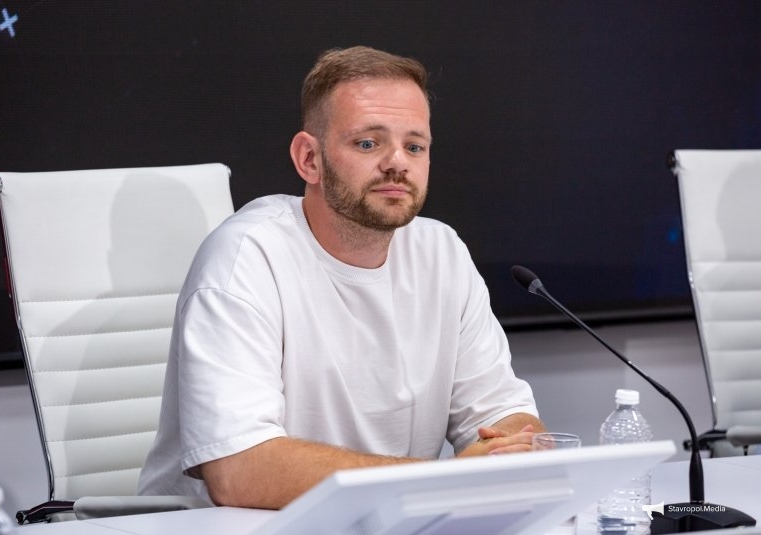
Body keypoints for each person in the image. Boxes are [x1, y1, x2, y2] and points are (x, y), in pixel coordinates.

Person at [138, 45, 544, 510]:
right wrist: (444, 479)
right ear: (309, 159)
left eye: (415, 146)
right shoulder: (246, 258)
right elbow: (239, 471)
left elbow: (507, 416)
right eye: (368, 143)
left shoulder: (442, 252)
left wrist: (510, 449)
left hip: (385, 519)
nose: (398, 162)